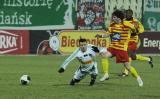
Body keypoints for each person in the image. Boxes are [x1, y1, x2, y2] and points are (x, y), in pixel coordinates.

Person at [95, 10, 143, 87]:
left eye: (114, 17)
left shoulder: (127, 24)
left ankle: (138, 78)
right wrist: (101, 36)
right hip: (113, 47)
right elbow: (108, 34)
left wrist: (135, 30)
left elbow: (136, 30)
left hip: (122, 49)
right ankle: (106, 74)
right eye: (112, 17)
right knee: (103, 55)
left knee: (128, 67)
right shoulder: (112, 24)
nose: (112, 18)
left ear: (119, 18)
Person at [119, 9, 154, 77]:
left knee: (127, 54)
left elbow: (142, 29)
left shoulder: (135, 21)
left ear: (131, 14)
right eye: (127, 13)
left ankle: (126, 72)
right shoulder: (124, 21)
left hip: (134, 40)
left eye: (129, 13)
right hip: (126, 40)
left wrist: (137, 31)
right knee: (133, 57)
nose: (127, 14)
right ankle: (148, 59)